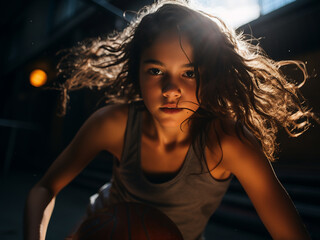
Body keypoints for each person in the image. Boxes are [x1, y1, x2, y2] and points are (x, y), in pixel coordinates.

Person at [24, 0, 317, 239]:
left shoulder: (229, 142)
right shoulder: (114, 123)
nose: (171, 90)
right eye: (155, 71)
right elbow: (44, 187)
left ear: (210, 76)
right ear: (136, 72)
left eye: (189, 73)